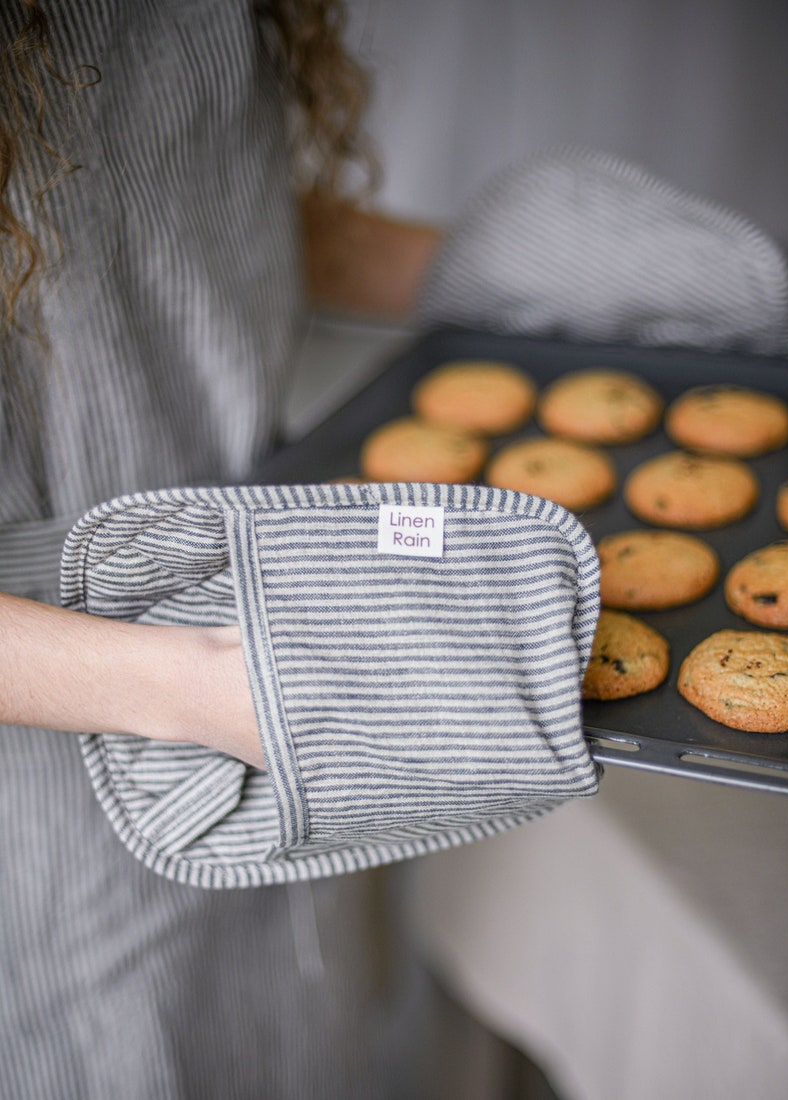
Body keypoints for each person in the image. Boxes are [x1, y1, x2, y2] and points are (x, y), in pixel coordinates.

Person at [0, 2, 442, 1097]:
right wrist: (217, 683)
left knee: (308, 1026)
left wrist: (522, 272)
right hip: (60, 797)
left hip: (268, 641)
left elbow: (165, 215)